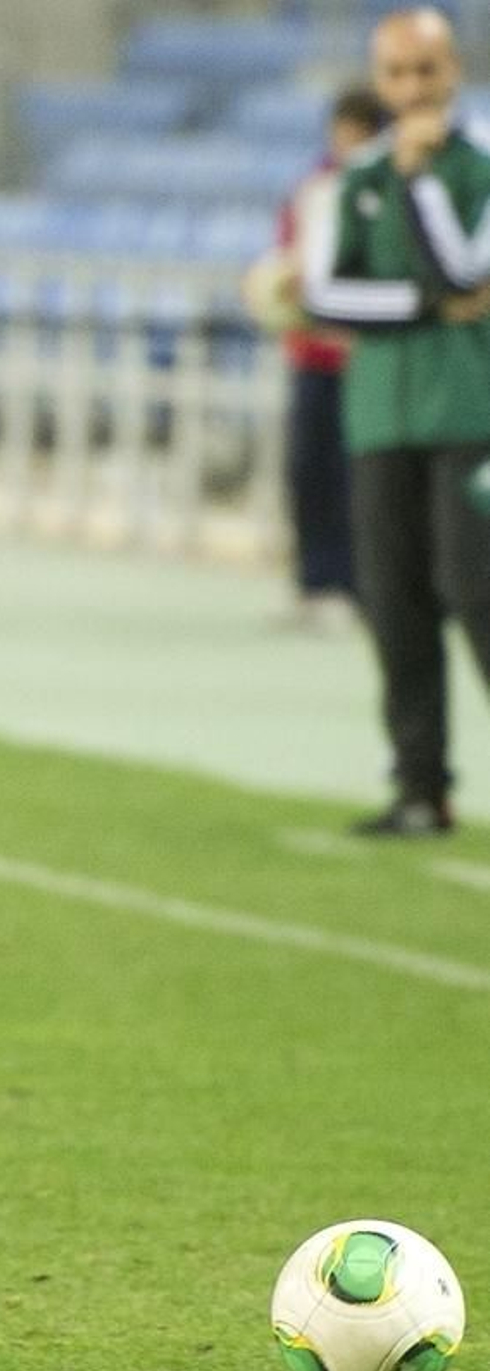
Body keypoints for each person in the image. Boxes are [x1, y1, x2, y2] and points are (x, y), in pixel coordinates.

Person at [303, 6, 490, 837]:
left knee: (477, 590)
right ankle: (421, 786)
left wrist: (420, 185)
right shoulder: (356, 177)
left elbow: (466, 270)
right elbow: (325, 296)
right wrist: (424, 305)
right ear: (379, 82)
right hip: (379, 417)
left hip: (472, 410)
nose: (413, 89)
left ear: (455, 71)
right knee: (395, 600)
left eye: (428, 71)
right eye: (397, 74)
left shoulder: (480, 168)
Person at [244, 85, 387, 631]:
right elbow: (288, 261)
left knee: (362, 478)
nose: (347, 142)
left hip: (366, 360)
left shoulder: (387, 191)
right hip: (312, 357)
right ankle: (314, 583)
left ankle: (360, 587)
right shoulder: (312, 189)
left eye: (358, 133)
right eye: (341, 132)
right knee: (309, 470)